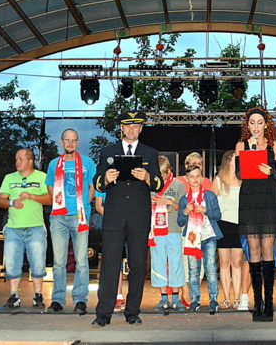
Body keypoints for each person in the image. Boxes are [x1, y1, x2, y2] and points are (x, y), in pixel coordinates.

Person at [92, 110, 163, 327]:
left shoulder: (150, 153)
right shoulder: (108, 151)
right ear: (121, 128)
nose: (131, 130)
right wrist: (105, 178)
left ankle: (133, 312)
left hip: (139, 217)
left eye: (135, 126)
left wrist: (148, 177)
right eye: (127, 126)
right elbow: (97, 182)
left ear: (141, 128)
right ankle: (103, 313)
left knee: (138, 265)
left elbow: (159, 183)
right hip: (114, 217)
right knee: (109, 265)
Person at [234, 106, 276, 322]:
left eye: (260, 122)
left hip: (269, 201)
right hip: (250, 201)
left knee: (267, 250)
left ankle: (269, 303)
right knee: (253, 250)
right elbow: (238, 173)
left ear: (266, 124)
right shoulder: (242, 145)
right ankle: (258, 302)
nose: (256, 126)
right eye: (252, 123)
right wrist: (252, 153)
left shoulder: (275, 146)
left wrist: (270, 171)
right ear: (247, 125)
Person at [45, 128, 95, 314]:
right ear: (61, 142)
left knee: (81, 260)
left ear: (77, 142)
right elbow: (50, 187)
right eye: (67, 139)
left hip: (79, 216)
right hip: (58, 217)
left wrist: (85, 206)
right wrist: (58, 205)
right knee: (59, 261)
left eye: (73, 140)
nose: (70, 143)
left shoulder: (87, 163)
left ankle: (80, 299)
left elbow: (92, 187)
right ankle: (57, 299)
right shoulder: (54, 164)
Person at [0, 148, 52, 309]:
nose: (17, 162)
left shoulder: (42, 177)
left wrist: (31, 196)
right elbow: (0, 201)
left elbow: (50, 199)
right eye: (16, 159)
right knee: (12, 263)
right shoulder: (9, 178)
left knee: (38, 263)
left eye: (20, 159)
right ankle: (14, 296)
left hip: (35, 227)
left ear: (30, 161)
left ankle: (38, 296)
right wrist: (11, 202)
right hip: (13, 228)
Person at [178, 161, 223, 314]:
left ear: (202, 178)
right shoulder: (184, 199)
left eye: (198, 176)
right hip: (192, 239)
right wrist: (185, 212)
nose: (195, 179)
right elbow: (180, 222)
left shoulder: (209, 196)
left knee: (211, 268)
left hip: (208, 236)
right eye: (192, 177)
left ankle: (213, 299)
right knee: (193, 270)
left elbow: (218, 215)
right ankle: (194, 300)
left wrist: (205, 210)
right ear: (187, 179)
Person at [212, 150, 249, 311]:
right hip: (223, 225)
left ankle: (237, 298)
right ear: (228, 161)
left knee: (236, 263)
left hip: (239, 225)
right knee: (224, 263)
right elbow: (210, 202)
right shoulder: (219, 180)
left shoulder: (243, 180)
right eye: (235, 158)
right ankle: (226, 298)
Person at [149, 156, 187, 311]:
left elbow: (183, 208)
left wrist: (170, 202)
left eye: (163, 174)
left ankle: (176, 298)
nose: (160, 178)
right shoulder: (151, 184)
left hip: (173, 229)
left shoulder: (178, 184)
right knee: (158, 262)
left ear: (169, 171)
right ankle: (163, 298)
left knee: (176, 262)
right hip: (156, 230)